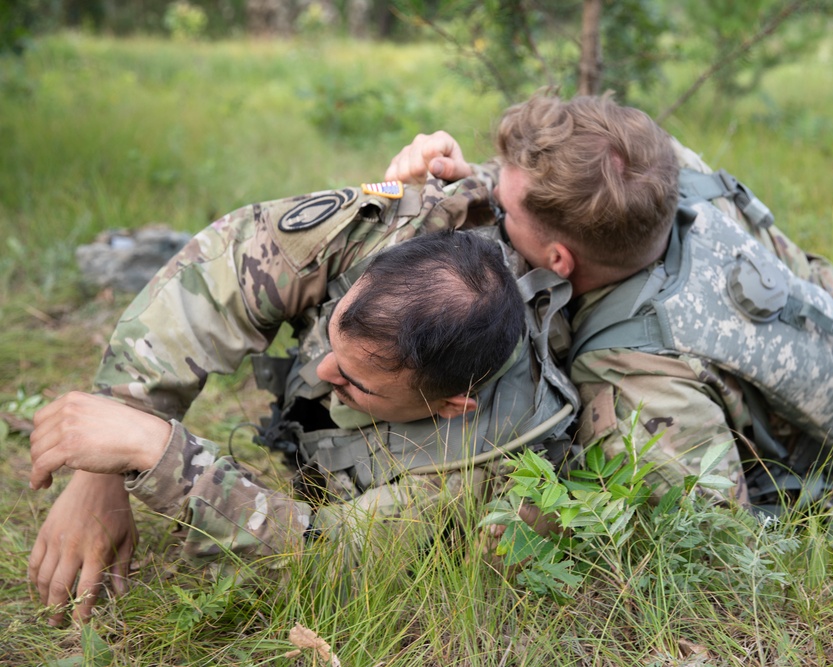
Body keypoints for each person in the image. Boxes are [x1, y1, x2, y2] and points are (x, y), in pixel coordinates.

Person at [28, 181, 578, 624]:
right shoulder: (393, 237)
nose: (321, 370)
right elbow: (212, 280)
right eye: (334, 338)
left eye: (357, 383)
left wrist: (155, 451)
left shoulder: (475, 467)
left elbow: (321, 562)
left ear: (452, 406)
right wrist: (98, 470)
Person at [385, 92, 833, 517]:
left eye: (503, 204)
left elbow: (718, 540)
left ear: (558, 259)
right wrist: (460, 174)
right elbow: (561, 191)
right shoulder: (659, 171)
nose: (490, 194)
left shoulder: (633, 379)